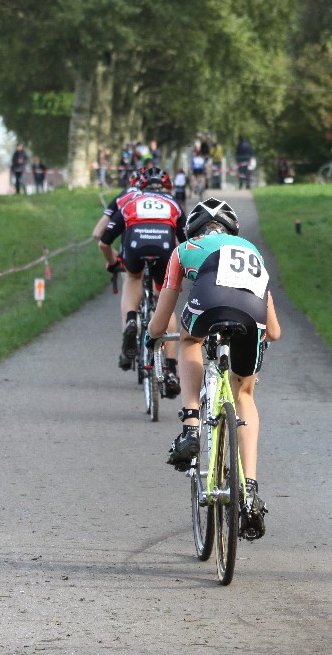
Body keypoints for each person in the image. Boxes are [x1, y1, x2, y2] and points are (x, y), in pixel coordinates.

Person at [148, 197, 281, 539]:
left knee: (189, 340)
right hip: (251, 315)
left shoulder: (184, 249)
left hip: (206, 307)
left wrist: (153, 336)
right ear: (231, 230)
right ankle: (250, 493)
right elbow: (275, 332)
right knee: (245, 393)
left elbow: (160, 322)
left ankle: (191, 426)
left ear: (192, 230)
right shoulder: (251, 250)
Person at [100, 167, 185, 390]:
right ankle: (171, 369)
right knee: (164, 297)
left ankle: (131, 320)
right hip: (164, 249)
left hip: (135, 248)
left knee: (133, 278)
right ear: (167, 187)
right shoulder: (173, 203)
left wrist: (112, 262)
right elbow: (186, 242)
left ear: (140, 186)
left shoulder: (131, 202)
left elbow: (103, 241)